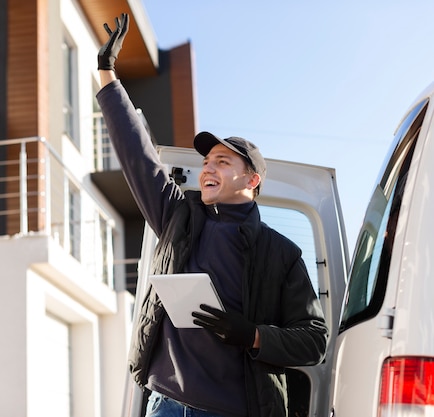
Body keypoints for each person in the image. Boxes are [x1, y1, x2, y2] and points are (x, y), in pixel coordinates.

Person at [96, 13, 328, 417]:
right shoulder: (178, 217)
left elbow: (314, 340)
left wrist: (253, 335)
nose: (207, 168)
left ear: (251, 179)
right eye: (207, 161)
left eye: (221, 161)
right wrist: (107, 75)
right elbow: (137, 154)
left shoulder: (282, 253)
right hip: (164, 405)